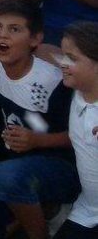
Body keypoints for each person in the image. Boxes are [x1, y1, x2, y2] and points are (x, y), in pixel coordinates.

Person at [0, 0, 78, 239]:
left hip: (62, 168)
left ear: (35, 39)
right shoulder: (0, 62)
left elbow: (82, 136)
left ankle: (50, 217)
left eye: (14, 30)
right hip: (18, 168)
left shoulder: (55, 80)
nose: (2, 36)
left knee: (6, 174)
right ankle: (36, 209)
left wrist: (36, 141)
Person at [54, 21, 98, 238]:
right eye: (63, 55)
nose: (62, 63)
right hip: (87, 211)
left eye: (71, 59)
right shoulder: (76, 92)